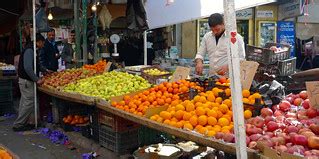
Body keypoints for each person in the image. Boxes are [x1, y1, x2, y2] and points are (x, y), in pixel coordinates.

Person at [13, 33, 47, 131]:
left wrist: (44, 70)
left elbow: (35, 64)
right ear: (39, 42)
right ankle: (19, 124)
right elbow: (28, 67)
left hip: (25, 80)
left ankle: (25, 122)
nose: (43, 45)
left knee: (24, 102)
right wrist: (37, 79)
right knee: (28, 102)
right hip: (27, 81)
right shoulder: (29, 50)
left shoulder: (32, 50)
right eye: (42, 43)